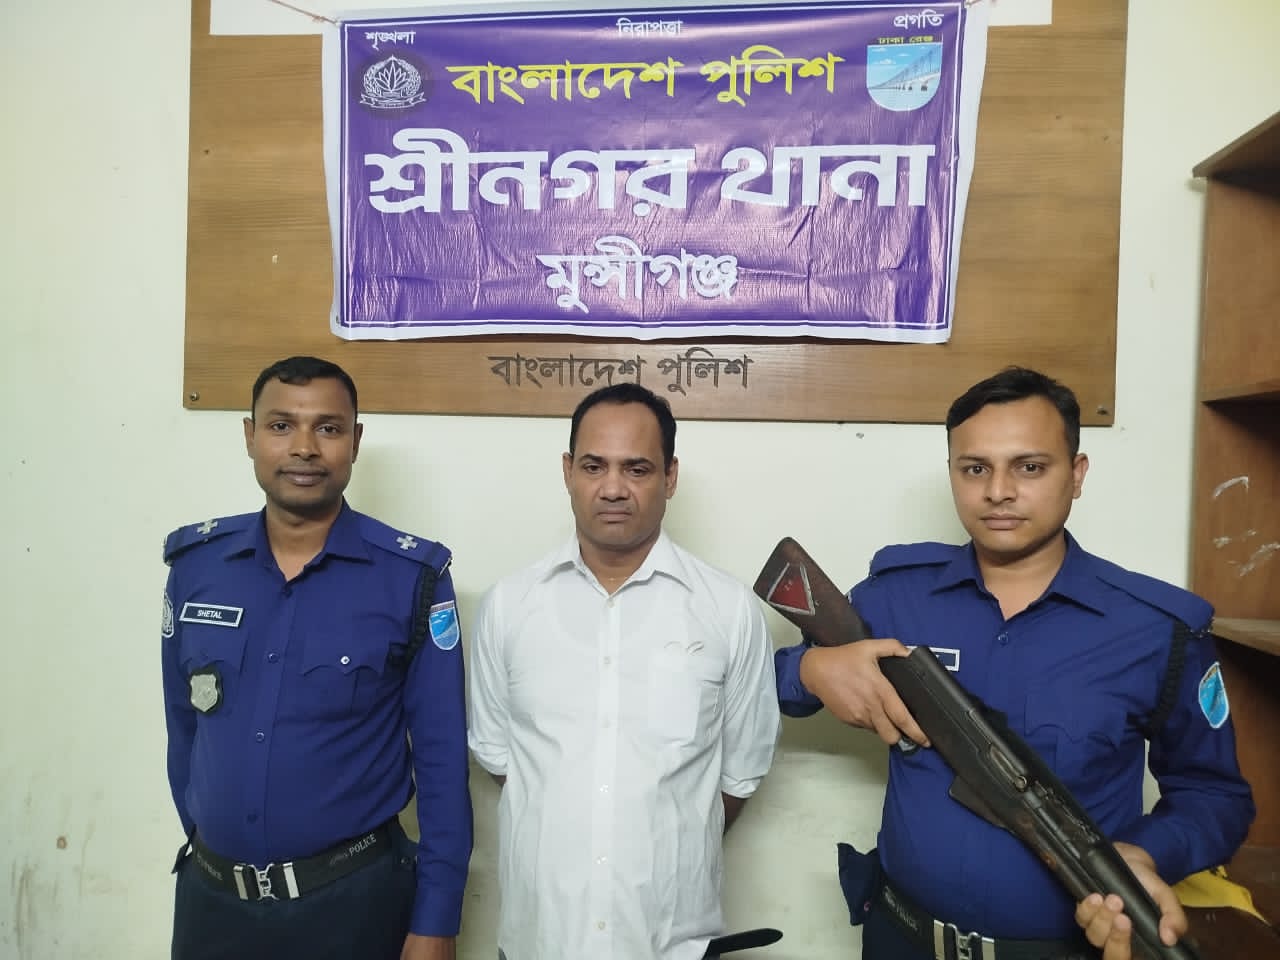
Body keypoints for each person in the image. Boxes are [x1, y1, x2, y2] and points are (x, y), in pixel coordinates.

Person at [775, 367, 1255, 960]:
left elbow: (1216, 796)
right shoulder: (895, 595)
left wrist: (1145, 854)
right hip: (901, 939)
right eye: (975, 468)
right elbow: (772, 683)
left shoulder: (1156, 629)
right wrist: (811, 671)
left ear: (1076, 475)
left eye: (1029, 467)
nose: (998, 491)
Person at [161, 356, 471, 960]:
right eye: (281, 426)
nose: (304, 447)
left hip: (352, 907)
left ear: (355, 441)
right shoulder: (197, 567)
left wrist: (437, 918)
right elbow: (183, 728)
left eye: (328, 428)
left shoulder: (411, 578)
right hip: (211, 907)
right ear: (250, 436)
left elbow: (441, 762)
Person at [467, 382, 780, 960]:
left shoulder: (729, 611)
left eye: (637, 469)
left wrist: (654, 844)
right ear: (568, 471)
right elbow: (501, 760)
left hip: (672, 944)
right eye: (594, 466)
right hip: (542, 939)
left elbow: (738, 776)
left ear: (670, 477)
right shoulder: (509, 606)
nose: (613, 488)